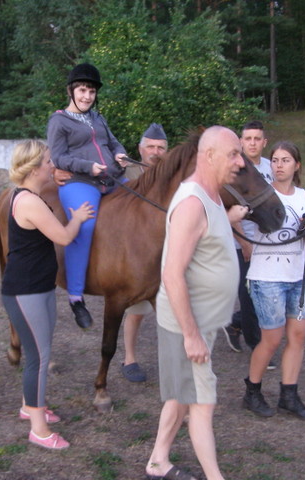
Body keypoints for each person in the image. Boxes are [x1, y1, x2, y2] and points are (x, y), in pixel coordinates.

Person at [146, 126, 250, 480]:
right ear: (209, 156)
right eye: (233, 154)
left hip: (202, 322)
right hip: (186, 325)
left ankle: (157, 462)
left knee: (180, 394)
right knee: (203, 404)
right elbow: (172, 274)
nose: (240, 162)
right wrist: (191, 336)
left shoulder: (213, 196)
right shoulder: (192, 203)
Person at [1, 139, 95, 449]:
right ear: (33, 169)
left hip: (39, 288)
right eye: (48, 162)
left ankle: (29, 407)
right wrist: (78, 218)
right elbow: (64, 237)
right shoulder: (29, 201)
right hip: (24, 292)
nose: (52, 166)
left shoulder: (32, 197)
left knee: (38, 353)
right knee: (39, 359)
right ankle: (38, 430)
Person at [47, 63, 128, 329]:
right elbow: (59, 157)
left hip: (111, 178)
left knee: (141, 204)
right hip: (80, 181)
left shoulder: (98, 118)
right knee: (86, 224)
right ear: (71, 91)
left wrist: (120, 154)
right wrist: (87, 167)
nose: (87, 96)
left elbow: (113, 142)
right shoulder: (58, 121)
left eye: (91, 91)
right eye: (82, 90)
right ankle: (75, 297)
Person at [242, 140, 305, 421]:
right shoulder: (262, 195)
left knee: (298, 336)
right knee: (271, 339)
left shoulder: (304, 197)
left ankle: (289, 395)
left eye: (285, 160)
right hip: (267, 277)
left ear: (297, 165)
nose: (279, 165)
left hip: (299, 276)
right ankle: (252, 391)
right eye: (274, 160)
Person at [222, 121, 275, 373]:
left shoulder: (270, 167)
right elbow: (231, 210)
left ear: (264, 142)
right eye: (248, 138)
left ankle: (235, 323)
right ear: (241, 142)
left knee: (264, 292)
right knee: (249, 293)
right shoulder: (235, 168)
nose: (252, 143)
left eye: (257, 138)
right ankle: (256, 344)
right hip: (242, 242)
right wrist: (244, 243)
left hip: (268, 242)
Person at [121, 123, 168, 383]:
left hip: (167, 253)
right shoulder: (126, 171)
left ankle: (173, 359)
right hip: (137, 253)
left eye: (160, 147)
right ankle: (129, 358)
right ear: (140, 149)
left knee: (172, 311)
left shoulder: (171, 175)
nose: (155, 151)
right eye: (150, 146)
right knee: (136, 310)